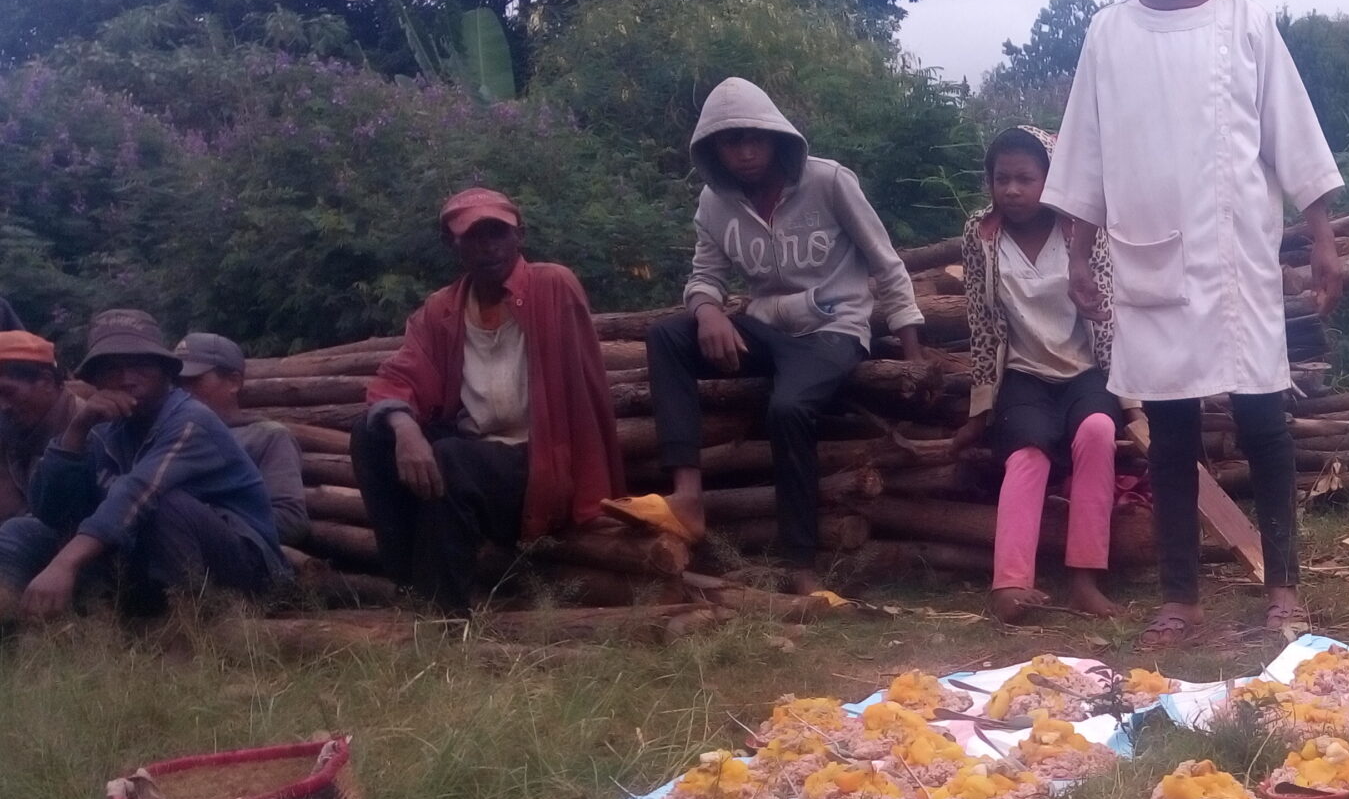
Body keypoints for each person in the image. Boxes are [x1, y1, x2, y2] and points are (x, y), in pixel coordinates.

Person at [1044, 0, 1345, 647]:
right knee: (1170, 432)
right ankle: (1181, 599)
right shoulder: (1108, 33)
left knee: (1262, 422)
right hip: (1148, 258)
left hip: (1237, 259)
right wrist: (1077, 255)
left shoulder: (1247, 25)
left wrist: (1322, 239)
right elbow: (1085, 156)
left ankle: (1284, 590)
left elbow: (1294, 138)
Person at [648, 79, 929, 596]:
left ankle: (800, 563)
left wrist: (912, 358)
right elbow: (704, 275)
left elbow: (886, 265)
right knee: (666, 337)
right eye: (731, 142)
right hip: (764, 330)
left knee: (788, 408)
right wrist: (707, 311)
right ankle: (687, 496)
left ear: (777, 137)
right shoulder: (714, 202)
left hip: (834, 331)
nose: (746, 152)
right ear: (714, 149)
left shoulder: (829, 182)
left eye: (755, 138)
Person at [355, 187, 624, 611]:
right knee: (372, 434)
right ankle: (409, 585)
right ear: (451, 243)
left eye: (498, 233)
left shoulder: (552, 285)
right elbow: (401, 377)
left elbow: (584, 394)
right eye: (473, 237)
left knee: (449, 458)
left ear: (520, 235)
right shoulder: (443, 309)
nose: (488, 247)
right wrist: (405, 429)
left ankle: (443, 614)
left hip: (538, 462)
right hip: (473, 452)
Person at [0, 309, 283, 619]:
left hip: (245, 568)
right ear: (96, 379)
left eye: (141, 365)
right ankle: (9, 620)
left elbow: (138, 493)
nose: (126, 379)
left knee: (167, 505)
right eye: (112, 369)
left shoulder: (190, 421)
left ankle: (186, 625)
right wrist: (77, 430)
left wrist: (65, 563)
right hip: (146, 556)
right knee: (23, 530)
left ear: (164, 371)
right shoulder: (103, 429)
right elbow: (51, 511)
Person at [956, 126, 1125, 621]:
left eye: (1025, 179)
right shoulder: (981, 234)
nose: (1011, 190)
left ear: (1051, 180)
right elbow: (981, 322)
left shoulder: (1081, 228)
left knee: (1098, 432)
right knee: (1027, 454)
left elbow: (1108, 312)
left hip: (1085, 371)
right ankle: (1010, 584)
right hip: (1024, 374)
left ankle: (1084, 580)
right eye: (1001, 178)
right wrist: (980, 409)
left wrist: (1132, 402)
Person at [175, 331, 309, 546]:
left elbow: (291, 521)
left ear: (234, 382)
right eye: (178, 383)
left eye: (194, 381)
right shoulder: (167, 436)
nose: (183, 392)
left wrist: (205, 520)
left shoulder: (267, 437)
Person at [0, 330, 73, 525]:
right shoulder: (11, 430)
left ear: (47, 382)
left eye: (8, 392)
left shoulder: (91, 430)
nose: (3, 407)